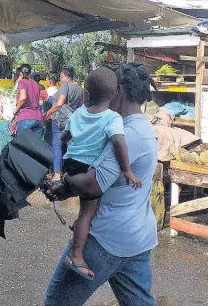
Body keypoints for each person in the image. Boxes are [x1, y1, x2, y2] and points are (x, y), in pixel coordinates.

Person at [42, 63, 158, 306]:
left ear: (120, 92)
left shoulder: (127, 133)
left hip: (105, 239)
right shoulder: (142, 127)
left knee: (56, 302)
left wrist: (63, 183)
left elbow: (92, 185)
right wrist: (66, 187)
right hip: (136, 237)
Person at [58, 67, 143, 282]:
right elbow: (118, 142)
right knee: (87, 212)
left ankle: (79, 228)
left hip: (70, 162)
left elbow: (65, 136)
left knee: (85, 208)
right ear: (116, 94)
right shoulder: (112, 118)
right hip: (87, 167)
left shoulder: (78, 113)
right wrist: (126, 170)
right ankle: (76, 255)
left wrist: (74, 140)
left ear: (86, 94)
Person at [44, 68, 83, 181]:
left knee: (57, 146)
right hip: (73, 120)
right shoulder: (79, 88)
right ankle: (70, 172)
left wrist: (48, 112)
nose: (60, 80)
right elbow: (81, 106)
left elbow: (60, 103)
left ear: (67, 76)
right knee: (70, 146)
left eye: (61, 77)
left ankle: (57, 173)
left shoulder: (65, 86)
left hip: (60, 120)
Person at [14, 64, 44, 138]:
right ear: (30, 73)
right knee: (35, 147)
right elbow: (39, 102)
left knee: (23, 146)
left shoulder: (22, 82)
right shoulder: (36, 84)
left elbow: (23, 97)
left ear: (20, 74)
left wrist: (16, 110)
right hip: (38, 118)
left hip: (25, 118)